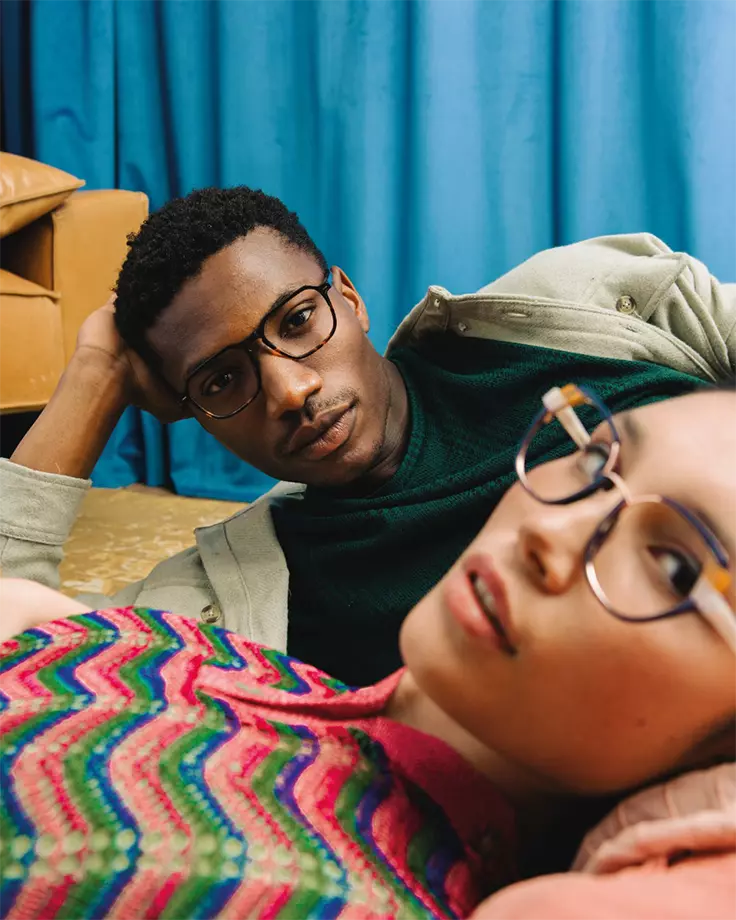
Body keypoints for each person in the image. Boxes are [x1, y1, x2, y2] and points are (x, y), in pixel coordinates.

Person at [1, 382, 736, 918]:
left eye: (675, 568)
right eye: (594, 460)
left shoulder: (320, 891)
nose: (551, 529)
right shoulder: (229, 638)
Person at [2, 187, 735, 686]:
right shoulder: (242, 593)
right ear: (188, 410)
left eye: (297, 321)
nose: (291, 391)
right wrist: (95, 376)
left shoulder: (571, 311)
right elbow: (19, 645)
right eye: (223, 381)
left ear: (349, 300)